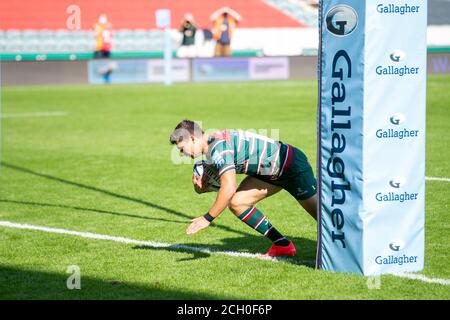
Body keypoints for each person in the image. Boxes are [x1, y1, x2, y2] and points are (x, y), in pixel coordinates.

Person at [169, 120, 317, 257]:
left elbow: (228, 187)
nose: (182, 154)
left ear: (193, 138)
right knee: (237, 203)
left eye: (182, 149)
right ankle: (282, 245)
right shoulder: (212, 147)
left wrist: (207, 218)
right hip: (270, 174)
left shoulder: (218, 149)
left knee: (324, 218)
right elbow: (221, 186)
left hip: (291, 166)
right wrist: (202, 188)